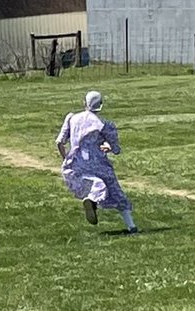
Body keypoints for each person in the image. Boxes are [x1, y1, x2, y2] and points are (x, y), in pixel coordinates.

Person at [56, 91, 138, 234]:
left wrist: (66, 158)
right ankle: (130, 225)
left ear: (84, 103)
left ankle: (91, 201)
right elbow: (115, 146)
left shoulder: (71, 118)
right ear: (100, 105)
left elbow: (59, 142)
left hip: (75, 162)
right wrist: (111, 148)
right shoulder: (102, 124)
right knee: (114, 190)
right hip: (98, 162)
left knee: (95, 183)